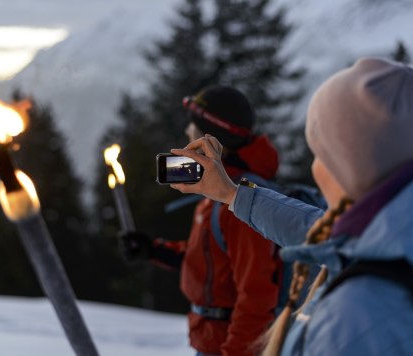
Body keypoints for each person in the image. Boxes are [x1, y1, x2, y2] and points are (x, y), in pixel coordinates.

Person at [170, 57, 413, 355]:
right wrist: (232, 194)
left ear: (345, 165)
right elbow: (315, 228)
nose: (315, 167)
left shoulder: (355, 318)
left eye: (320, 154)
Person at [120, 85, 295, 355]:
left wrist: (235, 352)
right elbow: (212, 260)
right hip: (211, 340)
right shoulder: (218, 190)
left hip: (229, 345)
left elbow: (257, 296)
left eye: (192, 126)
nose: (187, 133)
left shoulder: (241, 201)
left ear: (210, 139)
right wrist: (154, 249)